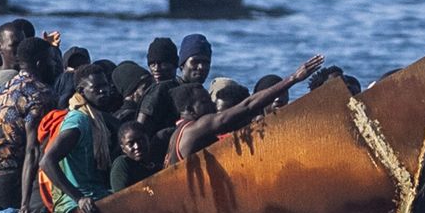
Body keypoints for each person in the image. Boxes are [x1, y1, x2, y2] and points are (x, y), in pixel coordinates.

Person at [165, 54, 325, 166]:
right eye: (205, 102)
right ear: (189, 109)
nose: (211, 106)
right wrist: (293, 79)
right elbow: (247, 106)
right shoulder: (193, 129)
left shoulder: (176, 134)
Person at [0, 37, 57, 213]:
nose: (54, 65)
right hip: (10, 184)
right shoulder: (41, 93)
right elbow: (33, 150)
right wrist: (25, 204)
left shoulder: (3, 90)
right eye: (51, 60)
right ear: (40, 63)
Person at [39, 65, 119, 213]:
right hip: (76, 201)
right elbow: (47, 162)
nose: (103, 91)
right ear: (82, 91)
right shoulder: (78, 120)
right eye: (96, 88)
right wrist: (79, 198)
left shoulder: (97, 117)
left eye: (105, 85)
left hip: (96, 191)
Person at [110, 121, 161, 191]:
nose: (137, 146)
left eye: (141, 140)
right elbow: (121, 197)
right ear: (123, 148)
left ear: (148, 139)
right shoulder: (123, 164)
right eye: (130, 144)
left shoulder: (156, 162)